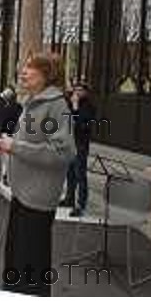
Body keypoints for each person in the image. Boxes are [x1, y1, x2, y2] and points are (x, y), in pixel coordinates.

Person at [0, 53, 75, 297]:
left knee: (30, 265)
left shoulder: (56, 105)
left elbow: (63, 152)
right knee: (16, 259)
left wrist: (14, 147)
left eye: (29, 68)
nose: (23, 73)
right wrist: (9, 143)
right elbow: (30, 140)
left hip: (37, 199)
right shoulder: (34, 102)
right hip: (22, 193)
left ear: (46, 74)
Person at [61, 82, 97, 217]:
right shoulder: (69, 105)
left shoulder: (89, 107)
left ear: (86, 92)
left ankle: (81, 204)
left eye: (80, 90)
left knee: (80, 174)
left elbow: (81, 125)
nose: (77, 92)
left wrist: (75, 107)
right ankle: (69, 199)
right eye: (75, 90)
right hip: (69, 143)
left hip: (81, 144)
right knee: (69, 173)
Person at [0, 86, 22, 186]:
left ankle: (6, 178)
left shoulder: (10, 107)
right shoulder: (16, 107)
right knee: (5, 159)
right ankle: (4, 178)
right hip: (8, 134)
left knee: (6, 159)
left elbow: (1, 121)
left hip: (7, 134)